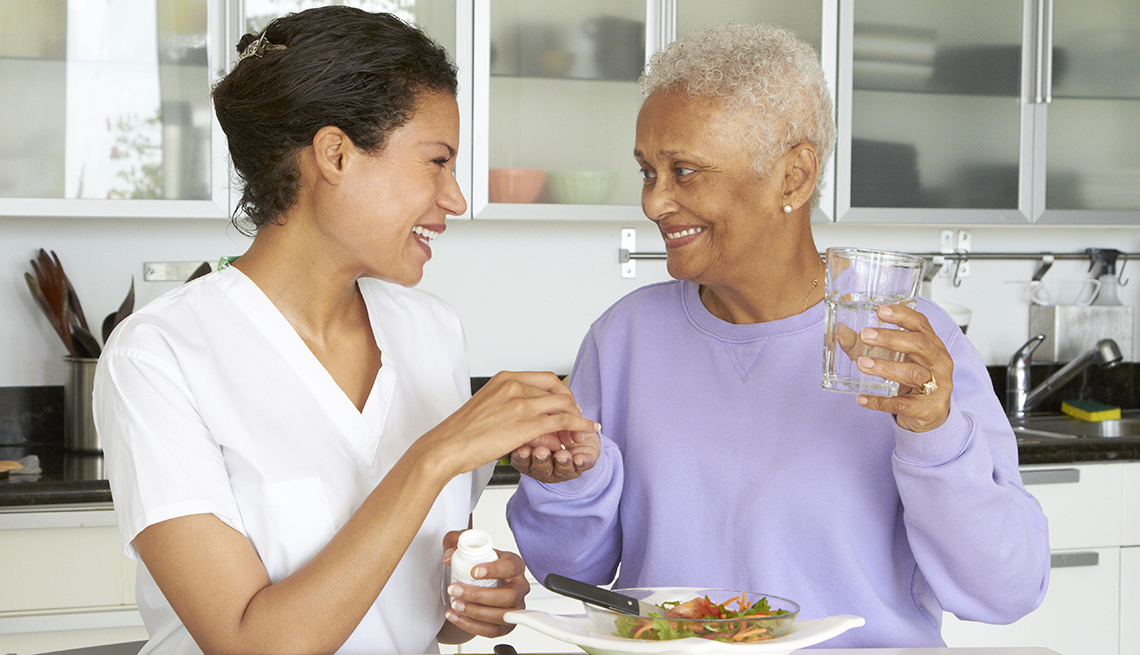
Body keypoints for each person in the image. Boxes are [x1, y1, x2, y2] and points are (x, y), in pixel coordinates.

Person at [506, 23, 1050, 648]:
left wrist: (934, 432)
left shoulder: (905, 348)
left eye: (684, 171)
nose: (654, 202)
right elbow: (571, 575)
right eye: (647, 171)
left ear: (793, 176)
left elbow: (1006, 591)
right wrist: (567, 485)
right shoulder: (626, 336)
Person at [93, 7, 598, 654]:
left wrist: (472, 599)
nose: (456, 198)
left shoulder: (430, 331)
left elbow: (414, 609)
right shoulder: (160, 355)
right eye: (437, 162)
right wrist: (438, 453)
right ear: (335, 153)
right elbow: (251, 643)